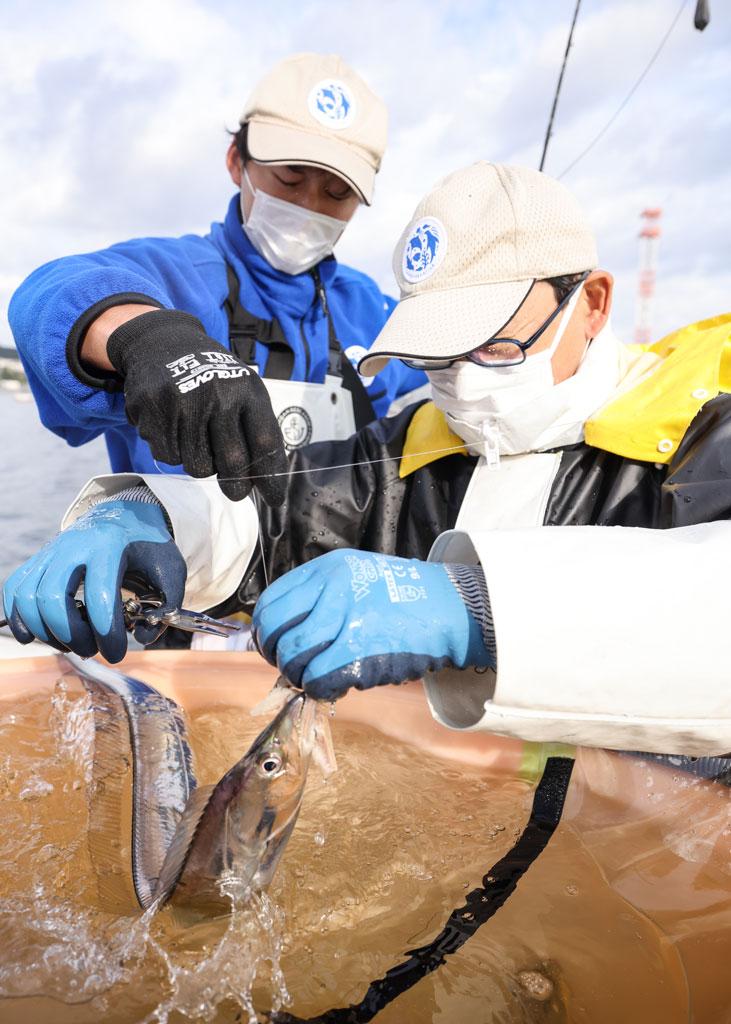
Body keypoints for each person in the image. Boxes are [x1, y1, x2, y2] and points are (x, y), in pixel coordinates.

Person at [4, 162, 731, 754]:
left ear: (594, 303)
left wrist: (479, 609)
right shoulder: (417, 442)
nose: (463, 380)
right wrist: (143, 517)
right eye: (435, 355)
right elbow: (272, 514)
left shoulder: (704, 431)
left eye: (490, 341)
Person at [8, 52, 426, 506]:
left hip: (336, 563)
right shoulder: (179, 274)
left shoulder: (370, 311)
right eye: (289, 175)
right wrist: (149, 337)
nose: (308, 205)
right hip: (191, 565)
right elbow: (51, 289)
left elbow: (459, 348)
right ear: (236, 161)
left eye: (337, 191)